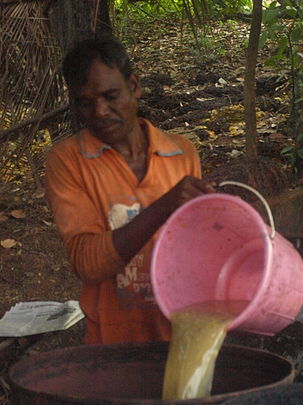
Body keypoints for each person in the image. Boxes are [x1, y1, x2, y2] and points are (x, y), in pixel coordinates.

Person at [45, 37, 215, 344]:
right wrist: (164, 206)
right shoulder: (69, 161)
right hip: (113, 343)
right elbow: (88, 263)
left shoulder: (181, 153)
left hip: (178, 335)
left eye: (111, 96)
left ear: (134, 86)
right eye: (85, 102)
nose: (99, 111)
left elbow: (194, 247)